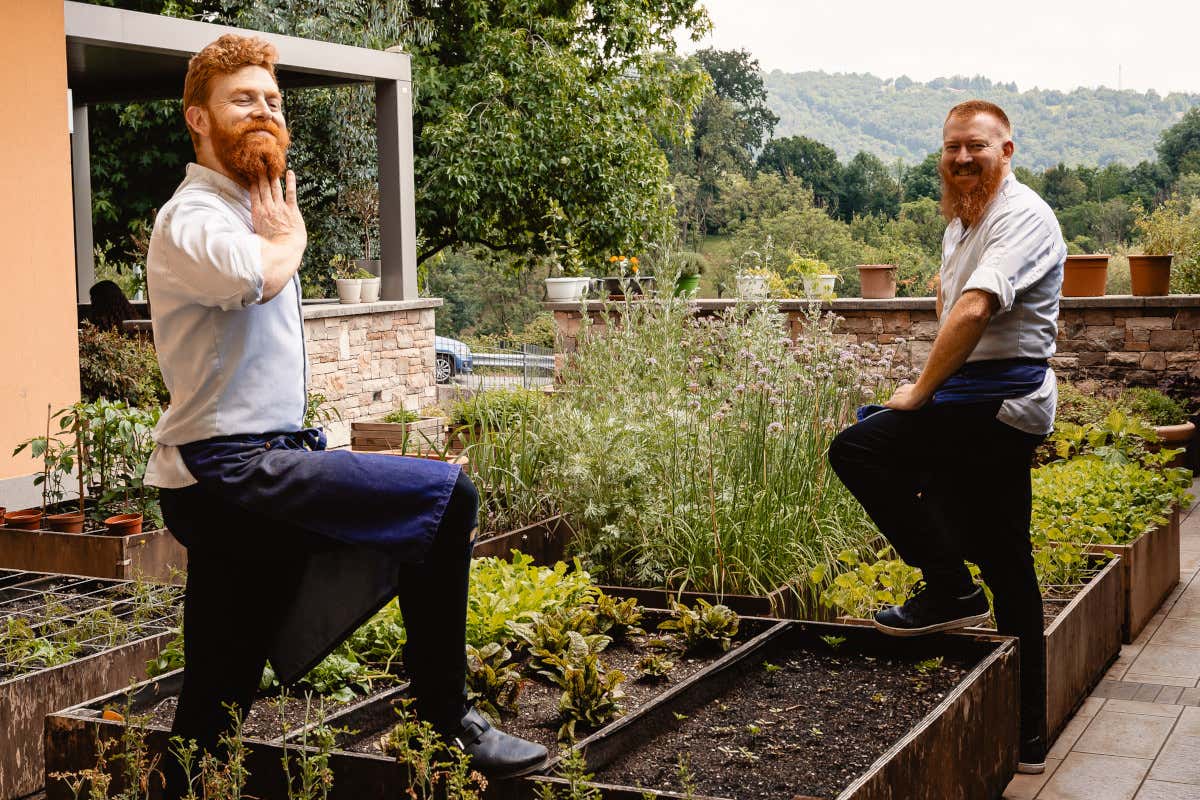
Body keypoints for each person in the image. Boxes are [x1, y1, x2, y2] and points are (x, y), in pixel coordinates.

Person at [143, 34, 548, 793]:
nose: (264, 111)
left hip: (251, 464)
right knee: (446, 499)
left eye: (273, 100)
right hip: (228, 471)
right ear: (198, 118)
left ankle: (182, 780)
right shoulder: (190, 218)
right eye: (242, 99)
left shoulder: (248, 209)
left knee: (216, 695)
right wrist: (289, 237)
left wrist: (276, 231)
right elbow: (252, 277)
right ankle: (447, 720)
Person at [827, 100, 1064, 775]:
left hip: (998, 401)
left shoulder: (1022, 215)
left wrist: (919, 391)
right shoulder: (964, 222)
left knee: (860, 447)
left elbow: (975, 307)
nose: (962, 158)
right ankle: (1027, 737)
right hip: (976, 399)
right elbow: (950, 300)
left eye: (976, 147)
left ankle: (950, 587)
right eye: (953, 147)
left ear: (1006, 151)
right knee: (1007, 558)